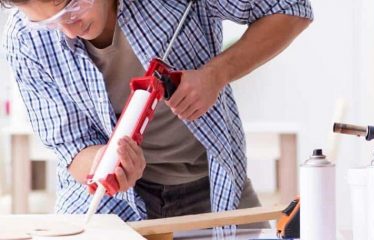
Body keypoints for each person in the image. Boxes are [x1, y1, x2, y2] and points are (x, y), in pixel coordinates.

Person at [2, 0, 313, 224]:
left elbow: (292, 9)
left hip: (213, 185)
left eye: (70, 6)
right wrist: (104, 163)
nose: (68, 30)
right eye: (47, 22)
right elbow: (72, 147)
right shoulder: (23, 39)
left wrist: (216, 74)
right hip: (113, 201)